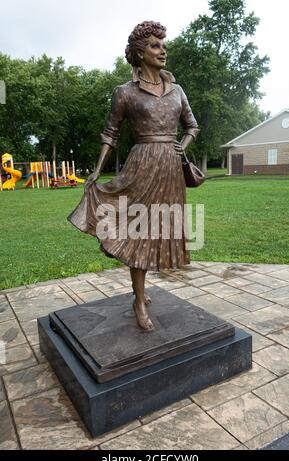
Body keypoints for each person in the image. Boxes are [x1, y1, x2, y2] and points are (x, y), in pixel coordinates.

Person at [68, 21, 199, 331]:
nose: (163, 49)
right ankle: (139, 298)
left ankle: (143, 291)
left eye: (163, 44)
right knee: (138, 232)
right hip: (141, 168)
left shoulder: (177, 90)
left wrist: (182, 145)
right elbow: (110, 133)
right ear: (140, 53)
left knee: (161, 229)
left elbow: (192, 126)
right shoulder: (124, 93)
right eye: (155, 45)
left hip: (171, 170)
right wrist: (98, 168)